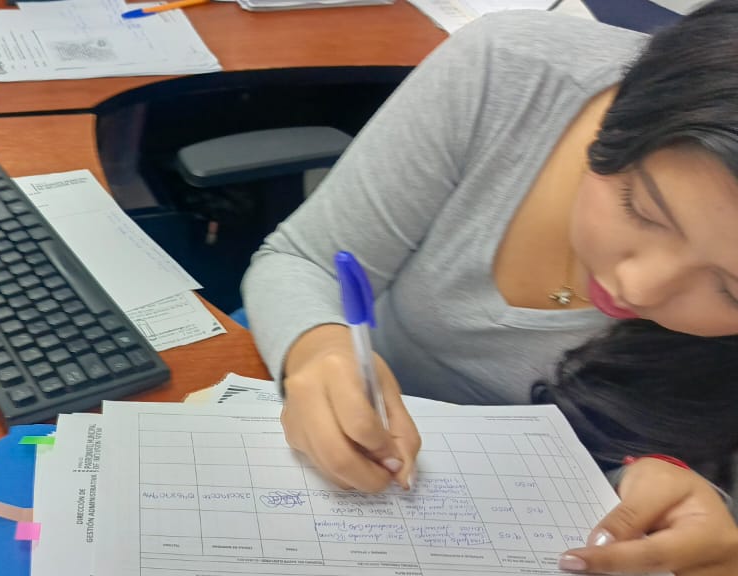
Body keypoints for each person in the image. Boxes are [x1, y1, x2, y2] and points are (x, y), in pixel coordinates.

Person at [241, 2, 738, 574]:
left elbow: (712, 508)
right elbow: (304, 259)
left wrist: (708, 520)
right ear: (617, 119)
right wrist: (317, 349)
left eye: (731, 290)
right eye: (642, 209)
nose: (639, 289)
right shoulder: (510, 71)